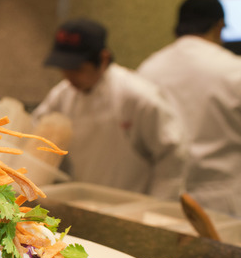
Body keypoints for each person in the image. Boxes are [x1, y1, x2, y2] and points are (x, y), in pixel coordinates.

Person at [32, 18, 186, 199]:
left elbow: (172, 156)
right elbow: (35, 132)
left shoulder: (138, 97)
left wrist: (156, 209)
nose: (69, 76)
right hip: (84, 201)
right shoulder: (62, 95)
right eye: (64, 69)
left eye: (77, 69)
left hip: (132, 206)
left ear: (103, 59)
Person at [138, 0, 241, 218]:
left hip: (165, 198)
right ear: (219, 26)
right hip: (226, 201)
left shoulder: (148, 68)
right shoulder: (236, 70)